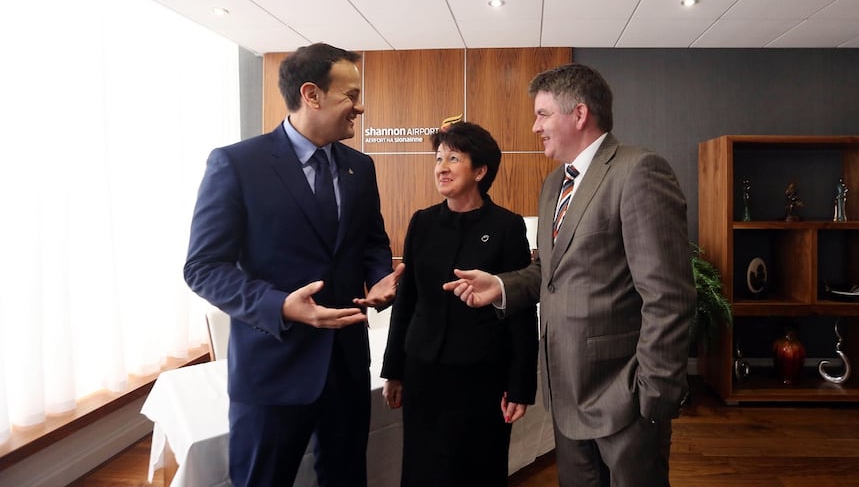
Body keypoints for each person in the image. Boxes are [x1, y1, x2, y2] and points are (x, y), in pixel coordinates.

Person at [445, 63, 696, 487]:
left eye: (542, 114)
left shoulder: (639, 171)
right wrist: (502, 285)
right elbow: (551, 269)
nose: (535, 126)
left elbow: (668, 296)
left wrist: (653, 393)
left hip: (625, 395)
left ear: (579, 114)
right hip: (566, 394)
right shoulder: (553, 186)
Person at [183, 42, 404, 487]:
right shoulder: (237, 164)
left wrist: (381, 277)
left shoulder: (360, 167)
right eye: (351, 95)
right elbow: (203, 267)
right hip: (272, 369)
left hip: (345, 366)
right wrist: (280, 305)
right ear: (311, 94)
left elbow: (371, 242)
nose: (360, 107)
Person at [381, 121, 538, 487]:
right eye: (438, 158)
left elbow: (521, 310)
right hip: (423, 370)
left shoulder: (507, 226)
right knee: (422, 468)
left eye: (453, 158)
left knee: (477, 469)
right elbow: (407, 301)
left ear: (480, 171)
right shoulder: (422, 222)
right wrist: (394, 370)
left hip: (482, 375)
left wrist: (520, 385)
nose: (442, 167)